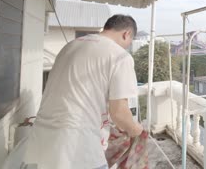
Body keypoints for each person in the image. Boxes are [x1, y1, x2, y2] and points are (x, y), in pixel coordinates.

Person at [21, 14, 143, 169]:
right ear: (127, 34)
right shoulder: (120, 56)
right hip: (77, 149)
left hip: (39, 146)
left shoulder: (70, 46)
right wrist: (135, 129)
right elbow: (119, 113)